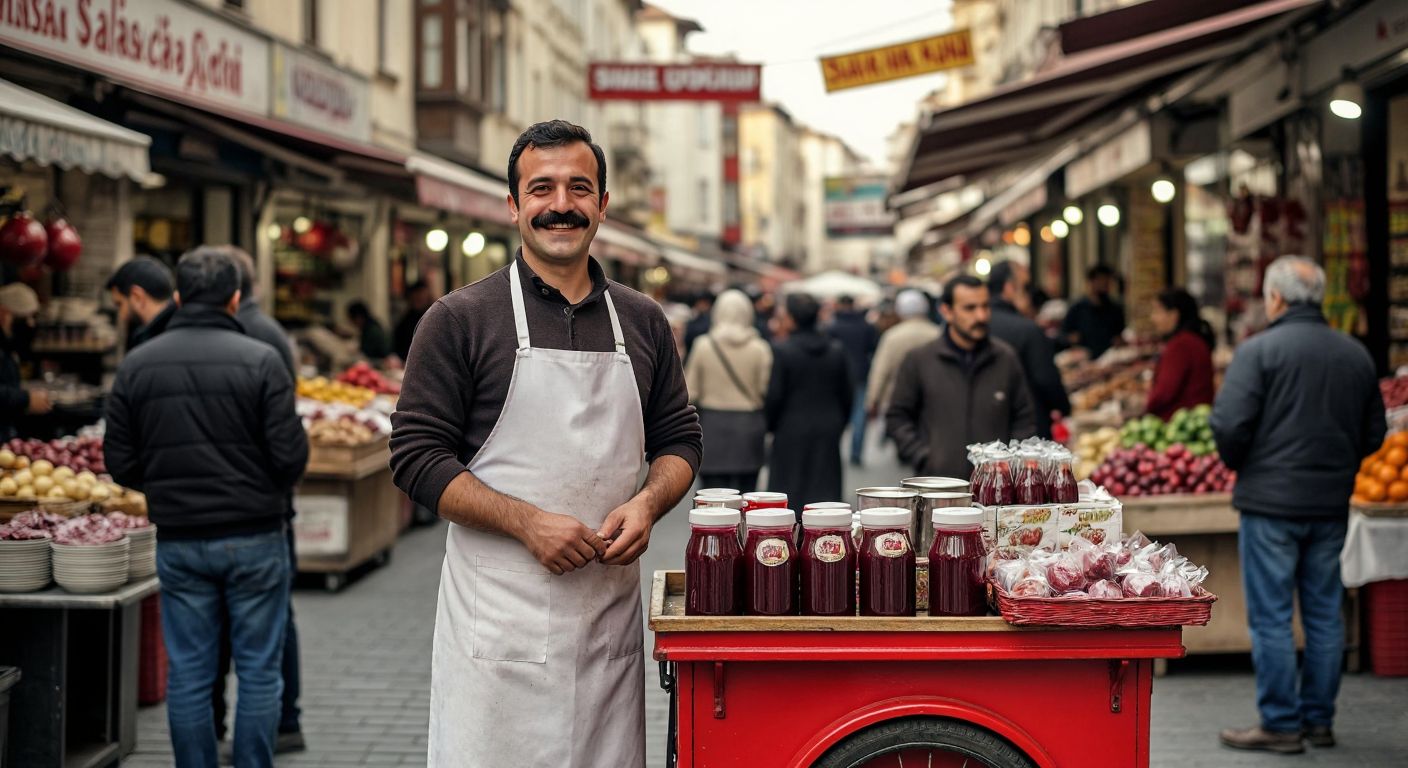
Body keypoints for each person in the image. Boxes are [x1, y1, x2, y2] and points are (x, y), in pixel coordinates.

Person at [388, 119, 700, 767]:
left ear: (603, 205)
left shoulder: (642, 321)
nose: (561, 205)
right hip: (498, 631)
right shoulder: (459, 321)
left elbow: (679, 441)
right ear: (513, 205)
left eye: (579, 188)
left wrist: (646, 507)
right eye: (542, 189)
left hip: (606, 624)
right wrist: (527, 522)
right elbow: (416, 458)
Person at [103, 247, 308, 768]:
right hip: (256, 536)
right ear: (235, 299)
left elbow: (121, 462)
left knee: (190, 673)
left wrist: (169, 488)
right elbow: (291, 458)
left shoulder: (137, 364)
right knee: (260, 669)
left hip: (179, 538)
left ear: (177, 297)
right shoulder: (262, 360)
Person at [1211, 256, 1385, 755]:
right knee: (1326, 614)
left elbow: (1228, 426)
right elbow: (1374, 431)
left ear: (1275, 298)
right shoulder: (1354, 354)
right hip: (1330, 503)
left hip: (1270, 505)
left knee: (1270, 617)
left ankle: (1281, 723)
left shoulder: (1259, 351)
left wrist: (1245, 461)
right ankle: (1318, 721)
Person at [211, 246, 304, 756]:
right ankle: (284, 722)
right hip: (263, 510)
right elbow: (289, 444)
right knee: (270, 628)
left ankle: (212, 734)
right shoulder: (269, 337)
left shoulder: (156, 350)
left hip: (196, 518)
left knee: (208, 642)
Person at [886, 276, 1036, 479]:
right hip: (938, 490)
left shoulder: (1005, 358)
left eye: (985, 306)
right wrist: (923, 456)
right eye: (970, 308)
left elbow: (1025, 417)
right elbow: (898, 417)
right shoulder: (920, 360)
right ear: (946, 311)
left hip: (995, 490)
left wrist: (1011, 461)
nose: (981, 316)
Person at [764, 293, 853, 509]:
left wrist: (771, 424)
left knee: (789, 493)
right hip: (828, 426)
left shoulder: (783, 350)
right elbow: (847, 394)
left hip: (790, 427)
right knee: (824, 495)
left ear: (792, 318)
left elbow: (775, 394)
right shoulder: (836, 350)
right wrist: (839, 421)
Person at [685, 289, 771, 494]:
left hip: (712, 427)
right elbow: (765, 389)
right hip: (749, 427)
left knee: (713, 499)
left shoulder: (703, 345)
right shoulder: (760, 348)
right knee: (748, 497)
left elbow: (690, 391)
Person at [988, 261, 1069, 439]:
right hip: (1027, 433)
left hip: (983, 435)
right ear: (1009, 288)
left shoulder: (974, 329)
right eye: (1025, 287)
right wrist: (1064, 408)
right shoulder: (1027, 330)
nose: (1029, 295)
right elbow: (1046, 380)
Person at [865, 289, 940, 419]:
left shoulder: (892, 336)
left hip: (896, 399)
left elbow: (881, 370)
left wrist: (873, 400)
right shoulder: (937, 333)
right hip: (932, 398)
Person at [1146, 287, 1216, 421]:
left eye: (1157, 311)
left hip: (1181, 424)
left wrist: (1146, 405)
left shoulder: (1181, 345)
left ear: (1174, 315)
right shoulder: (1192, 340)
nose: (1153, 318)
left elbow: (1163, 393)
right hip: (1195, 419)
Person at [827, 295, 878, 466]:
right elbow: (873, 349)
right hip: (860, 374)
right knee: (859, 415)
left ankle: (834, 450)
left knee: (837, 413)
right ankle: (856, 452)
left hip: (836, 376)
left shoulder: (833, 327)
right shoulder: (866, 326)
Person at [0, 283, 49, 438]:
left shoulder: (8, 344)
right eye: (25, 317)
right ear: (4, 313)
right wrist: (25, 399)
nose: (31, 324)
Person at [106, 256, 176, 350]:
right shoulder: (179, 330)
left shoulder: (150, 346)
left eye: (120, 304)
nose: (121, 315)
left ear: (137, 297)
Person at [1061, 264, 1126, 359]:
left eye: (1107, 280)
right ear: (1091, 282)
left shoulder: (1115, 309)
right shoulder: (1077, 308)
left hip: (1108, 360)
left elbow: (1119, 335)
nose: (1104, 284)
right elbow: (1064, 336)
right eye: (1100, 280)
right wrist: (1071, 339)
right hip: (1083, 360)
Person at [393, 281, 434, 363]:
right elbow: (399, 344)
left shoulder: (434, 316)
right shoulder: (406, 320)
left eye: (421, 297)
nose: (419, 299)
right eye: (417, 297)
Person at [682, 290, 714, 357]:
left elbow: (691, 335)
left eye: (703, 303)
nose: (699, 305)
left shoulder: (708, 320)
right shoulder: (697, 316)